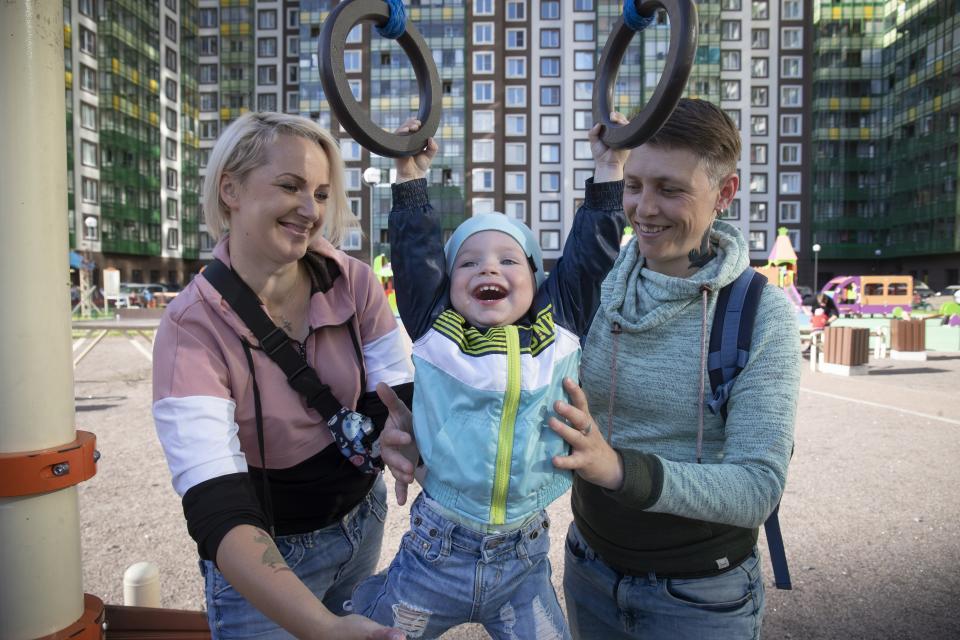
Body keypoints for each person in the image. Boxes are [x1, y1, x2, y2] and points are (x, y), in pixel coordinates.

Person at [351, 116, 627, 638]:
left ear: (539, 281)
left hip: (523, 559)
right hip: (437, 548)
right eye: (468, 263)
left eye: (508, 260)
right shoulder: (436, 328)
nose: (488, 270)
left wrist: (610, 168)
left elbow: (592, 256)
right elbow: (415, 257)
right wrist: (408, 175)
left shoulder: (561, 323)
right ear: (448, 283)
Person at [541, 99, 801, 639]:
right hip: (589, 566)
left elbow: (758, 486)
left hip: (702, 595)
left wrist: (618, 469)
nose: (644, 208)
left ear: (724, 194)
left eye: (670, 188)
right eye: (634, 185)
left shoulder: (759, 312)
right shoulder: (600, 281)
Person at [151, 112, 413, 640]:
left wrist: (400, 437)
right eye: (290, 186)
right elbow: (216, 505)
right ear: (230, 188)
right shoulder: (190, 328)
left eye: (320, 193)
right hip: (268, 556)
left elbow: (396, 391)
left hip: (362, 521)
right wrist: (320, 627)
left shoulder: (353, 280)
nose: (310, 209)